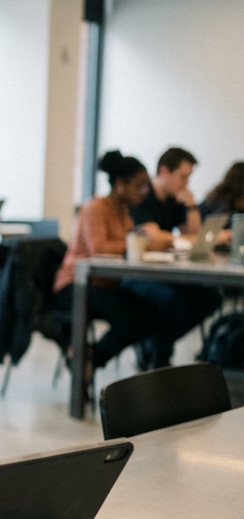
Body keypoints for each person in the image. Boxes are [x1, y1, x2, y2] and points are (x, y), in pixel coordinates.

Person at [52, 152, 163, 381]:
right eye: (139, 186)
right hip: (76, 285)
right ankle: (87, 361)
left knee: (151, 314)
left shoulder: (123, 211)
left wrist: (144, 243)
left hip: (104, 285)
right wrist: (140, 243)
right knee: (133, 319)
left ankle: (89, 359)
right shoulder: (94, 208)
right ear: (120, 185)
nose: (145, 192)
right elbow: (99, 249)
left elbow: (127, 245)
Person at [124, 147, 221, 369]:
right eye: (183, 177)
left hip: (164, 270)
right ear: (164, 171)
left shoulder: (174, 200)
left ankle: (156, 345)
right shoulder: (143, 196)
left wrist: (191, 205)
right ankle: (159, 353)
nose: (187, 183)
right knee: (171, 301)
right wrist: (176, 238)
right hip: (137, 272)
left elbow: (194, 235)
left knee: (209, 299)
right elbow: (154, 236)